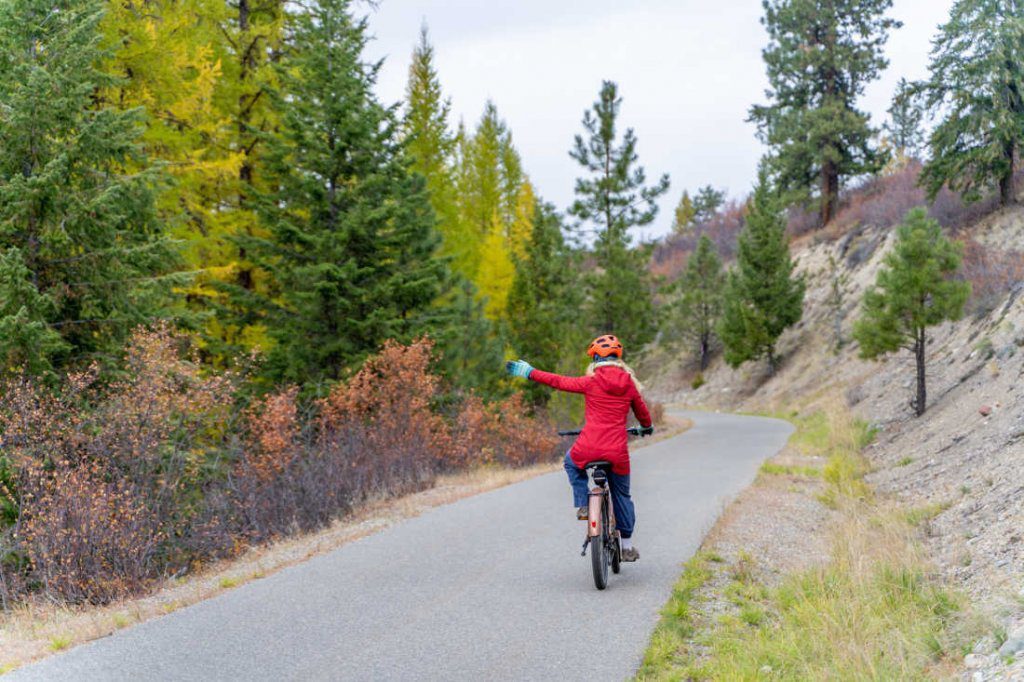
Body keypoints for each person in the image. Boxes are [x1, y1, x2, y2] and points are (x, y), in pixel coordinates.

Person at [505, 334, 653, 561]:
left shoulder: (591, 381)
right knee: (622, 495)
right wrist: (647, 427)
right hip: (617, 452)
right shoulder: (629, 385)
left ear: (594, 358)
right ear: (618, 359)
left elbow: (558, 381)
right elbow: (642, 413)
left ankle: (584, 503)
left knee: (570, 463)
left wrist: (530, 372)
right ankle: (626, 546)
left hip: (588, 447)